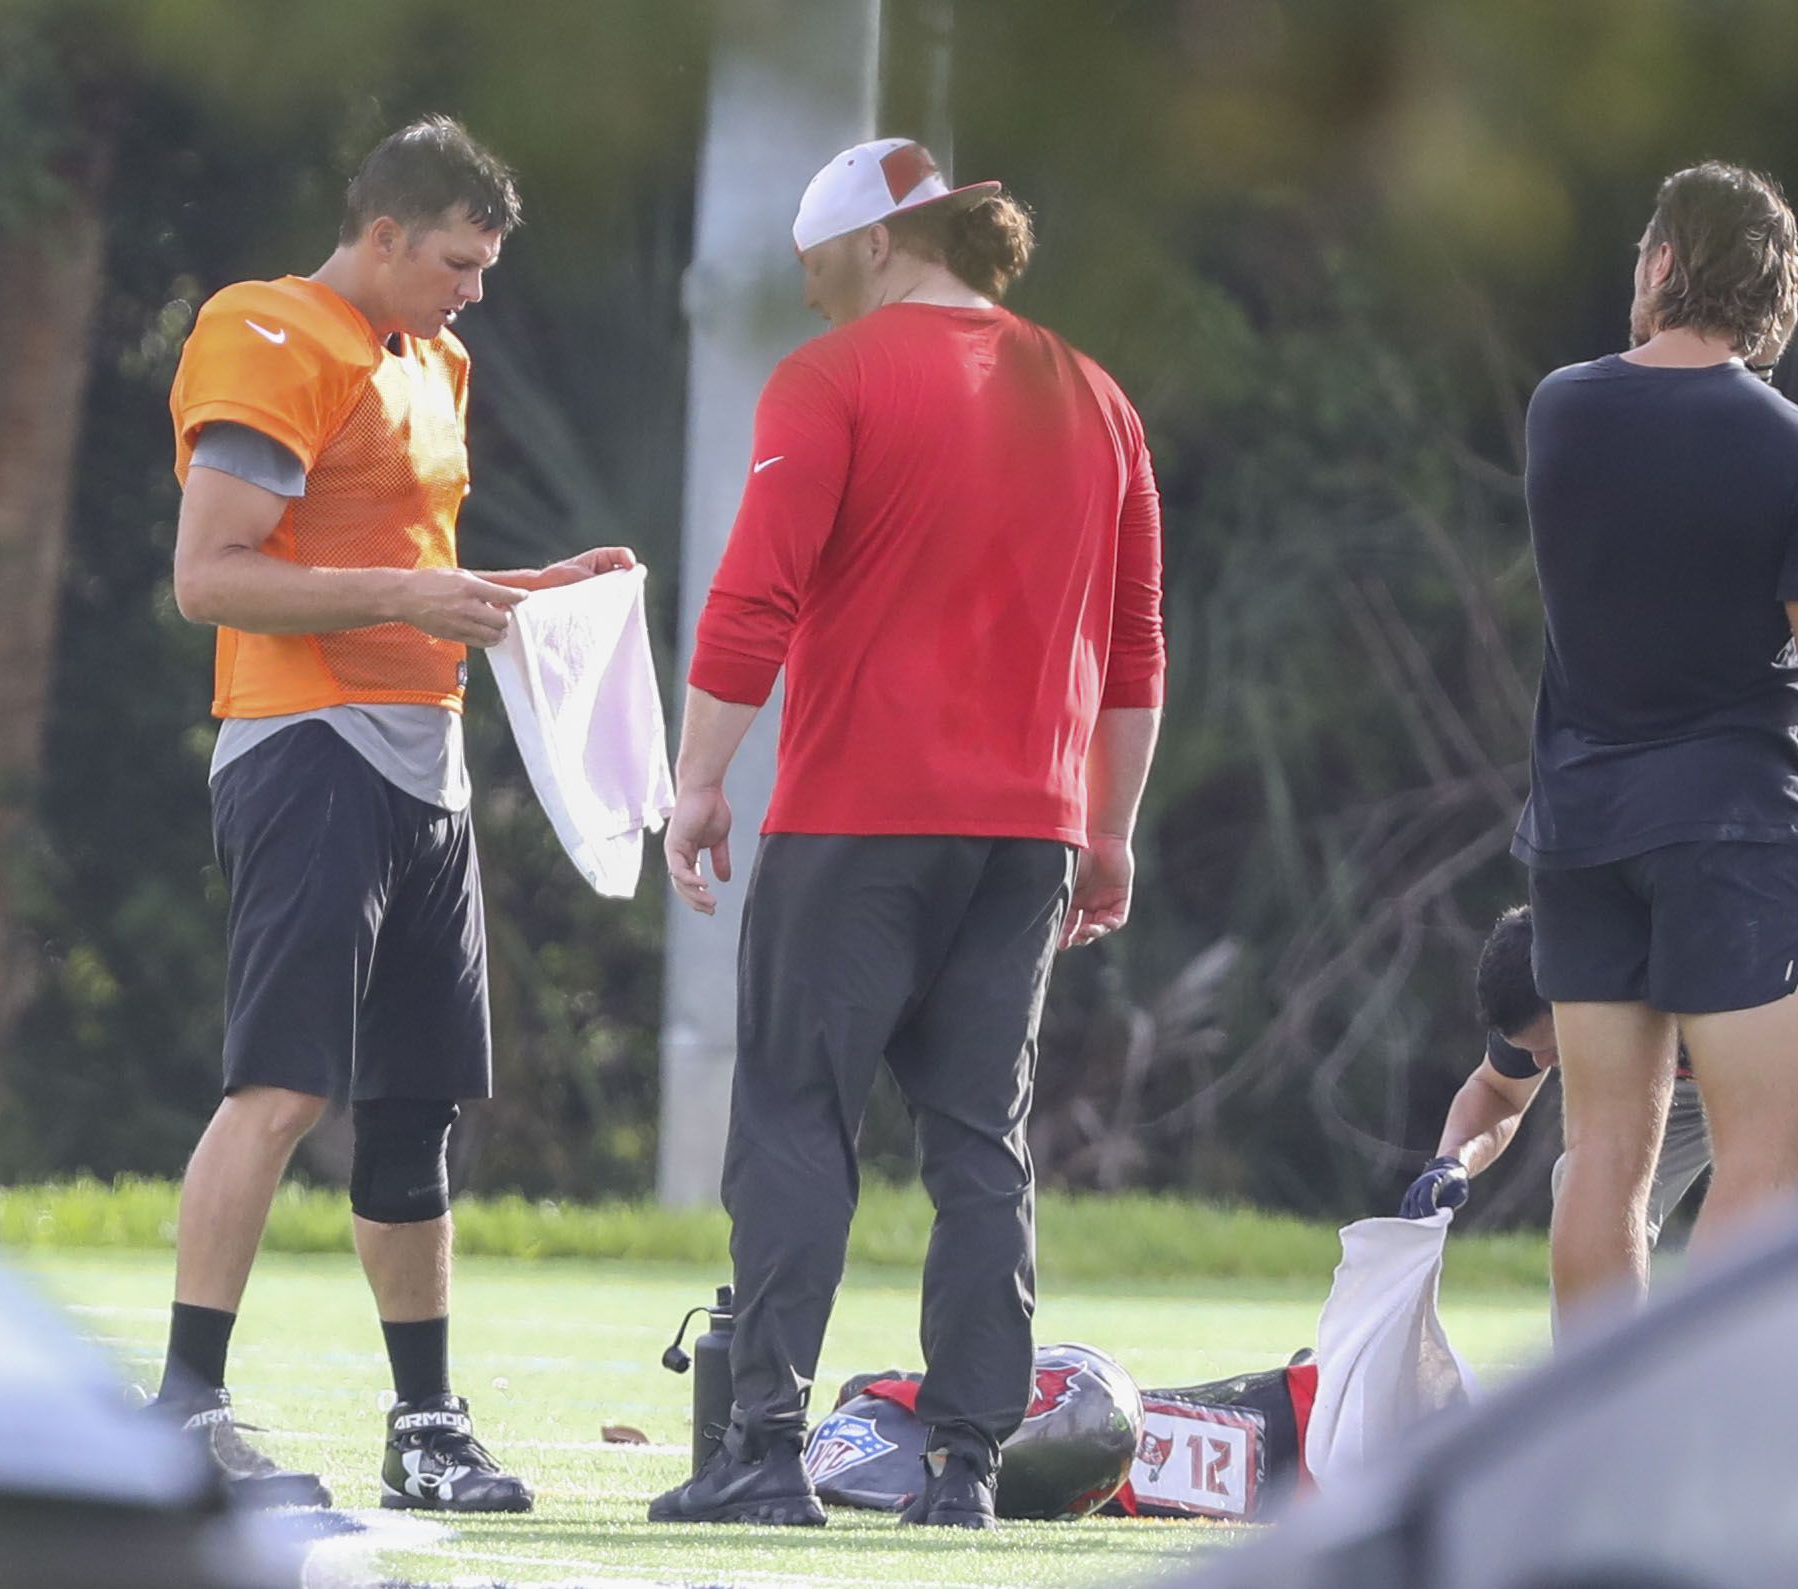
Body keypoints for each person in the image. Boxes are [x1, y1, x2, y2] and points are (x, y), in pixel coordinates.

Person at [650, 138, 1166, 1530]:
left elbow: (755, 596)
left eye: (817, 272)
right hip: (1030, 834)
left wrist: (697, 781)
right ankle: (967, 1470)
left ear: (877, 244)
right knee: (978, 1142)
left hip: (857, 820)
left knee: (797, 1122)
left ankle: (762, 1452)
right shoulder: (1099, 398)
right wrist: (1105, 831)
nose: (811, 303)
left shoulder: (836, 378)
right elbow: (1133, 649)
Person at [159, 115, 633, 1509]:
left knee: (418, 1107)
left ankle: (427, 1425)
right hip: (302, 748)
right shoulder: (269, 331)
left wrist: (523, 592)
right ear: (379, 234)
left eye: (483, 267)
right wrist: (411, 598)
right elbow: (211, 576)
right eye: (453, 260)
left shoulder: (439, 359)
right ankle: (184, 1409)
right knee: (283, 1087)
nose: (470, 288)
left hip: (422, 756)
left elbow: (402, 564)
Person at [1514, 162, 1798, 1323]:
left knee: (1605, 1152)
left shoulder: (1559, 408)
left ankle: (1594, 1445)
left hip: (1579, 828)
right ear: (1773, 298)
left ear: (1662, 262)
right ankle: (1696, 1445)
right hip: (1734, 832)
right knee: (1765, 1147)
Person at [1403, 864, 1798, 1240]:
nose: (1543, 1067)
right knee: (1587, 1185)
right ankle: (1602, 1391)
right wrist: (1450, 1161)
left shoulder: (1692, 957)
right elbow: (1498, 1089)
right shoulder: (1551, 981)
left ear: (1584, 1001)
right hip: (1705, 1054)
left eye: (1552, 1050)